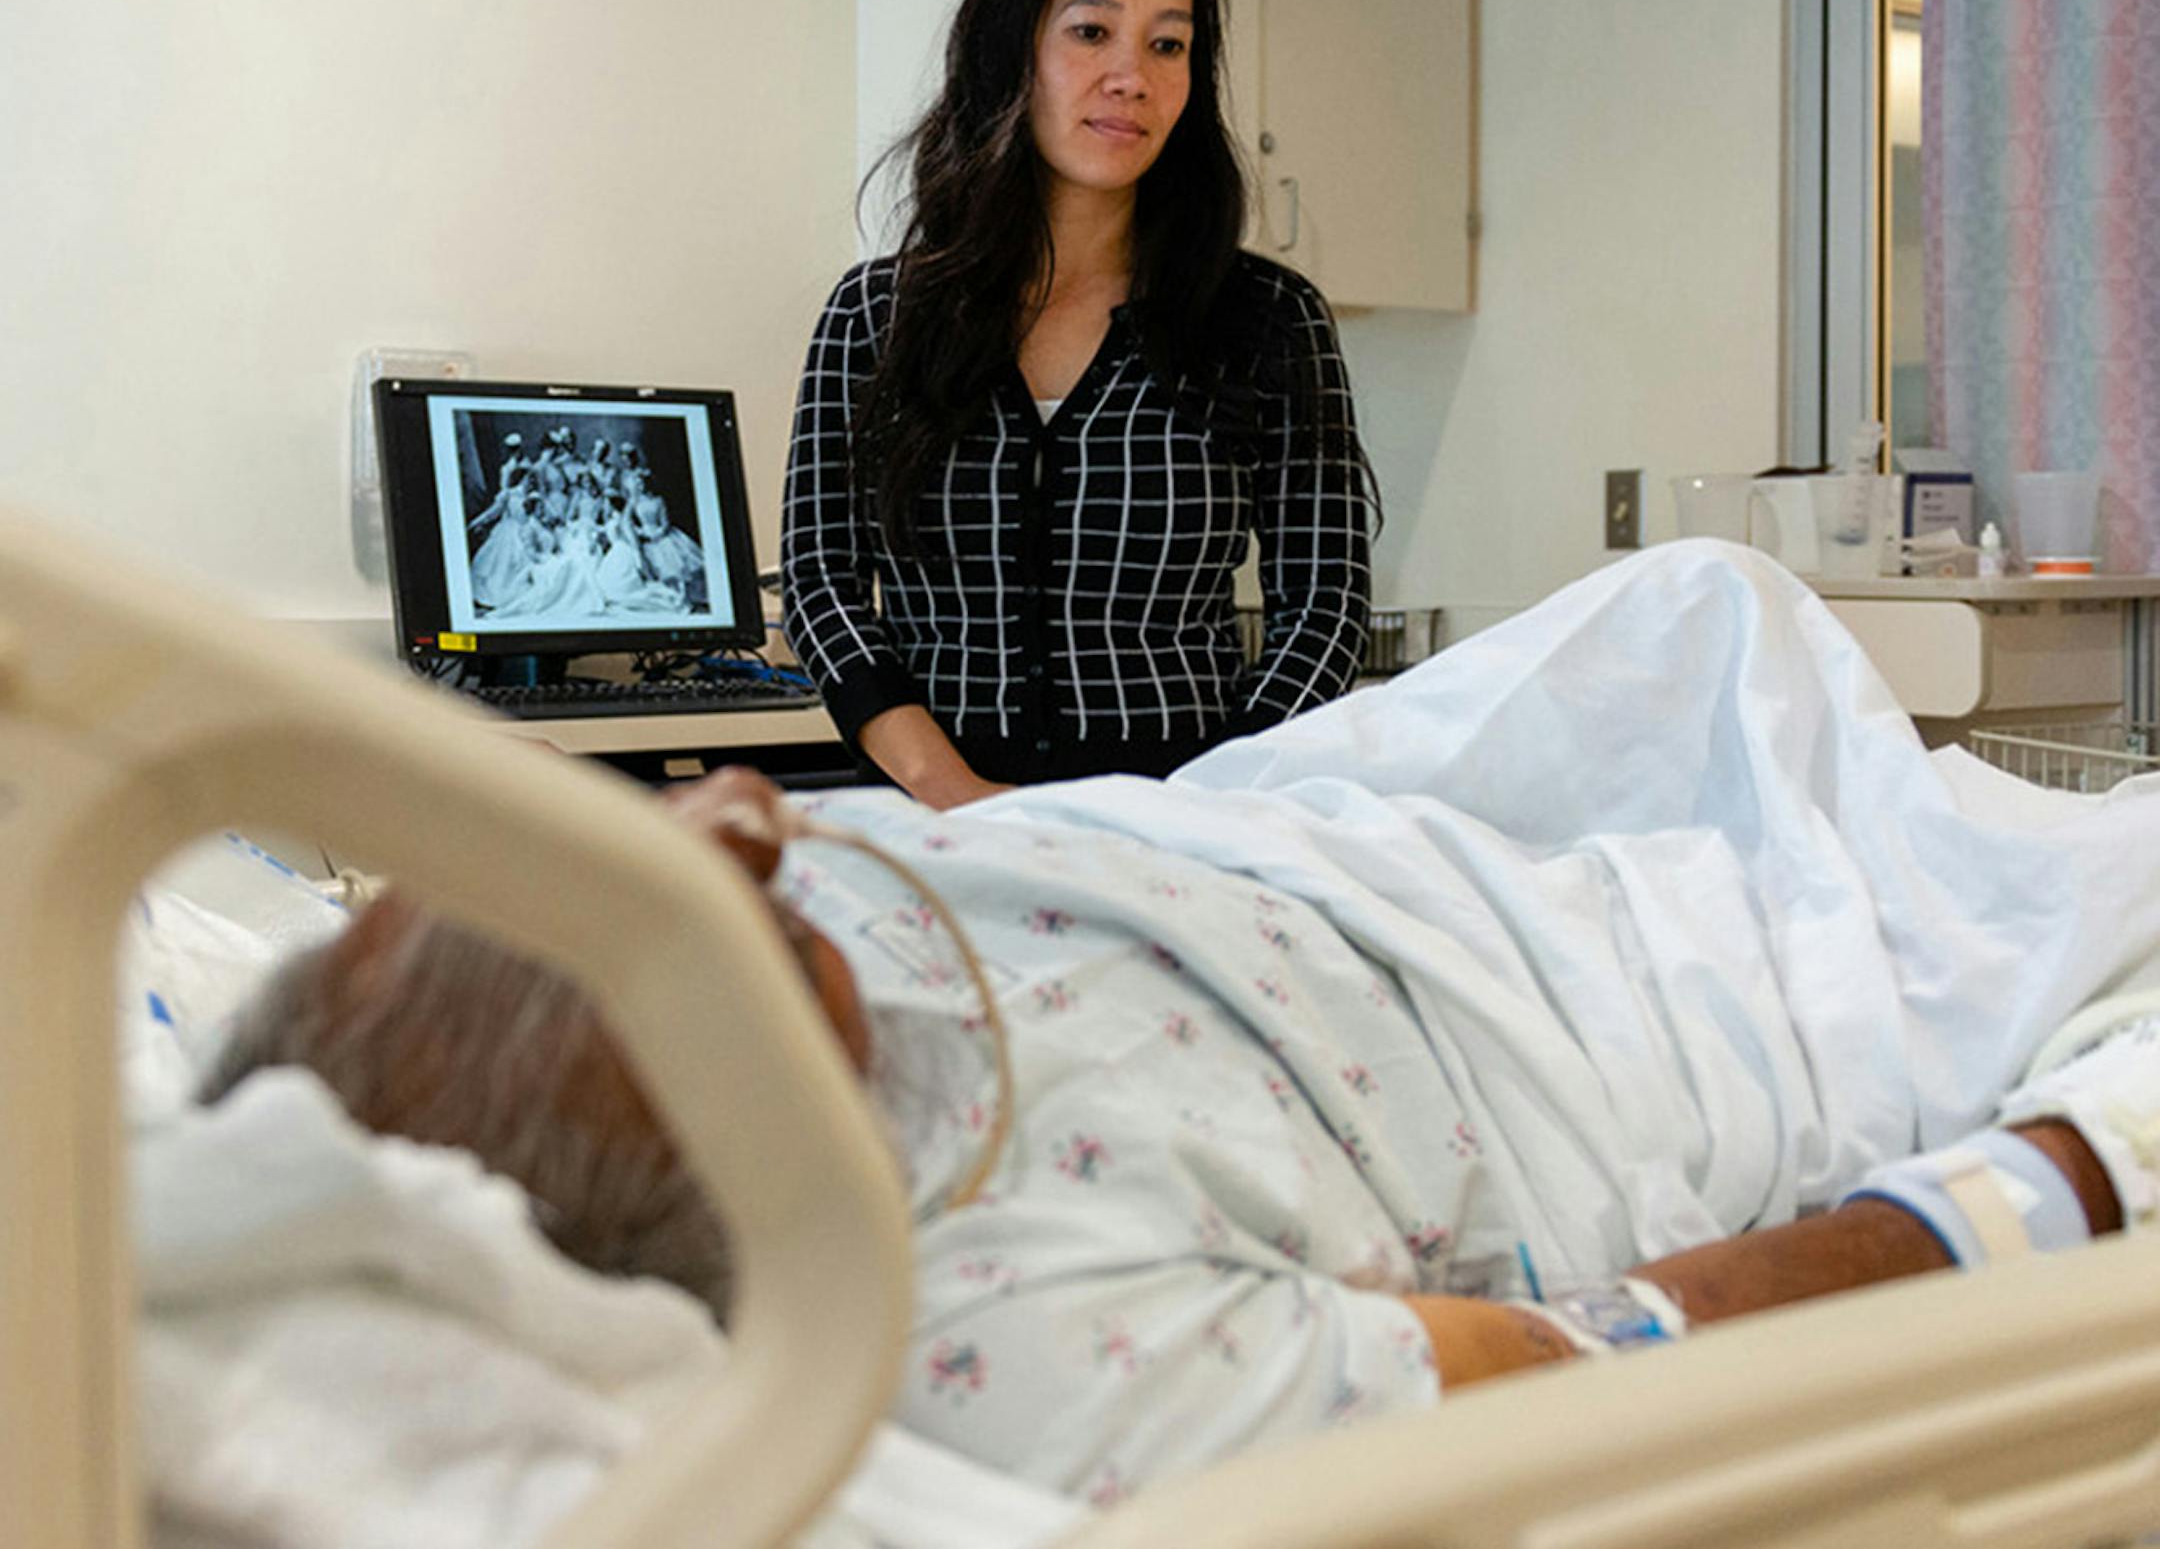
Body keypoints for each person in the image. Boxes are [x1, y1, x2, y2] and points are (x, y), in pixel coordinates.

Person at [204, 541, 2160, 1504]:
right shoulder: (1010, 1329)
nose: (733, 799)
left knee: (1705, 601)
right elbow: (1597, 1363)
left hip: (1346, 830)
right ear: (680, 1121)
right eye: (677, 896)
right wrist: (2033, 1194)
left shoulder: (747, 909)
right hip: (1648, 1013)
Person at [782, 0, 1377, 810]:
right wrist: (956, 793)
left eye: (1168, 45)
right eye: (1091, 31)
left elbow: (1326, 610)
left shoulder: (1267, 318)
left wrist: (1202, 802)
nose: (1131, 78)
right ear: (1008, 50)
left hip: (1185, 819)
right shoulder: (875, 318)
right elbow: (824, 583)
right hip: (930, 817)